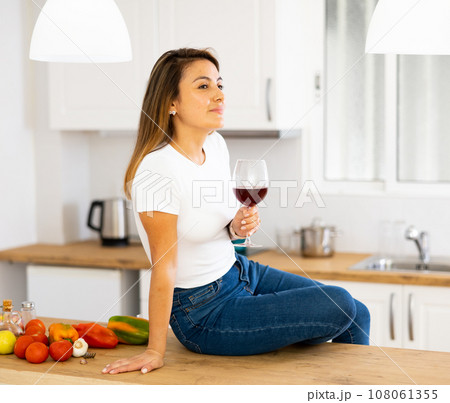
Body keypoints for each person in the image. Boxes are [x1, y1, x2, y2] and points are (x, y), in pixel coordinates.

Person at [102, 48, 370, 375]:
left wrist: (236, 227)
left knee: (359, 312)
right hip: (203, 311)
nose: (219, 94)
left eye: (219, 84)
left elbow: (213, 226)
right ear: (171, 102)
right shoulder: (157, 171)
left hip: (239, 272)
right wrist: (155, 350)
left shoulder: (214, 146)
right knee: (339, 304)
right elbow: (164, 269)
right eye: (203, 86)